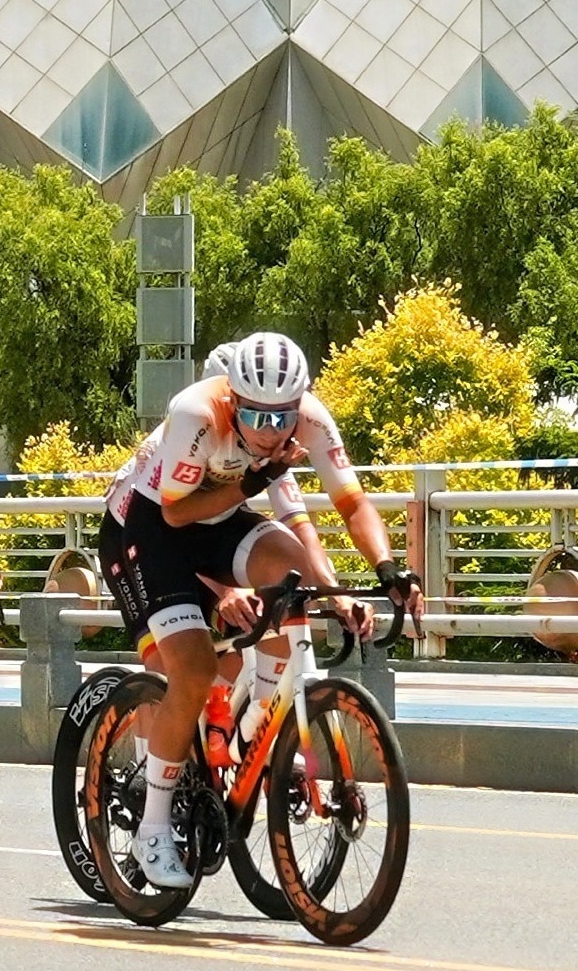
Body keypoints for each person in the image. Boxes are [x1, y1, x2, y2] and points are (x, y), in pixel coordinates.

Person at [95, 332, 398, 885]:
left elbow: (351, 503)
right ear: (233, 398)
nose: (271, 430)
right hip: (148, 528)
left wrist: (385, 571)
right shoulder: (197, 414)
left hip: (217, 519)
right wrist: (253, 487)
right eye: (257, 416)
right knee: (191, 670)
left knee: (290, 567)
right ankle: (153, 826)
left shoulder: (309, 420)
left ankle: (260, 722)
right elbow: (176, 517)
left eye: (282, 417)